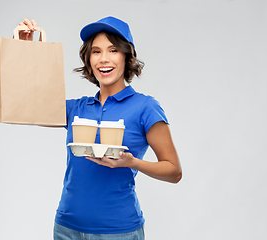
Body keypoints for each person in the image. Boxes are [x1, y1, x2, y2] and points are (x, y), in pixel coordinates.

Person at [17, 16, 182, 240]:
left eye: (113, 50)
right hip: (67, 229)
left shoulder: (145, 107)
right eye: (96, 51)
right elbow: (24, 106)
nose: (103, 59)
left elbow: (174, 171)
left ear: (126, 56)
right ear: (89, 59)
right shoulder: (77, 107)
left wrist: (131, 162)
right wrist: (26, 51)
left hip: (119, 232)